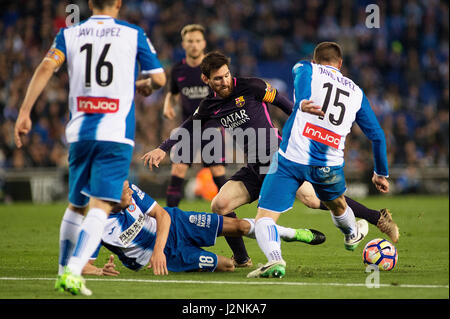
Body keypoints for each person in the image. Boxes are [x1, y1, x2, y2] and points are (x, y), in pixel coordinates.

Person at [142, 50, 398, 257]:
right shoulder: (209, 105)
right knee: (219, 205)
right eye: (218, 79)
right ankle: (242, 259)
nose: (225, 81)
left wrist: (303, 124)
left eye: (226, 75)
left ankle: (377, 218)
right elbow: (189, 126)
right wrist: (162, 149)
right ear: (206, 80)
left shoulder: (251, 86)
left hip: (278, 159)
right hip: (254, 166)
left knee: (312, 198)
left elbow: (286, 104)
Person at [14, 0, 166, 295]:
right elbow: (159, 77)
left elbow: (46, 66)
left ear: (90, 4)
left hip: (79, 133)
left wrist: (24, 111)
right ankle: (72, 273)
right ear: (119, 4)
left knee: (76, 205)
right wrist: (146, 85)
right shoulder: (133, 33)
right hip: (115, 133)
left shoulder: (69, 33)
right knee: (101, 205)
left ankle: (62, 271)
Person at [247, 42, 390, 279]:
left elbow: (300, 82)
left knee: (265, 218)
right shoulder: (357, 92)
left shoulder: (306, 68)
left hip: (289, 159)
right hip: (329, 164)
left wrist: (302, 102)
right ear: (340, 63)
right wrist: (381, 172)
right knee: (338, 206)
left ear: (315, 60)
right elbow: (377, 135)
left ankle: (275, 260)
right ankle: (351, 234)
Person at [81, 180, 326, 276]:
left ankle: (293, 234)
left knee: (240, 226)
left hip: (176, 224)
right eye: (124, 190)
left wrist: (156, 248)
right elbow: (82, 265)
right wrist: (100, 271)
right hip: (170, 257)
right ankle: (236, 258)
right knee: (227, 265)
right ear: (109, 197)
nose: (129, 189)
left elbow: (162, 216)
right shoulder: (97, 224)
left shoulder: (131, 191)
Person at [162, 24, 227, 209]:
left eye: (198, 41)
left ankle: (231, 219)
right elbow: (173, 92)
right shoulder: (177, 70)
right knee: (178, 169)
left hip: (211, 126)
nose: (194, 45)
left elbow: (227, 90)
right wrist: (168, 104)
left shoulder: (214, 69)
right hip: (188, 128)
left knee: (217, 173)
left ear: (204, 43)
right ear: (183, 44)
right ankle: (170, 218)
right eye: (190, 41)